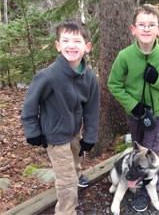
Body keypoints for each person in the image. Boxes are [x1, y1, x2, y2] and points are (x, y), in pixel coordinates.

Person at [21, 21, 100, 215]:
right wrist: (33, 132)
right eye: (65, 40)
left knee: (76, 162)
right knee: (66, 182)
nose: (71, 45)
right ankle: (66, 211)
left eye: (77, 41)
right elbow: (29, 108)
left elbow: (91, 109)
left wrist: (90, 136)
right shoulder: (47, 76)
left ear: (87, 47)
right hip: (55, 136)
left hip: (74, 132)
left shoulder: (89, 76)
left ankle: (77, 177)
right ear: (58, 45)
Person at [108, 4, 159, 212]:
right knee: (137, 148)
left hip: (156, 114)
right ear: (133, 29)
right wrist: (133, 105)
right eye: (142, 25)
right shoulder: (125, 56)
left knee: (151, 151)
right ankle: (134, 177)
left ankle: (146, 193)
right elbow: (113, 84)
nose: (146, 29)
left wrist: (157, 78)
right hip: (134, 114)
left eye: (151, 25)